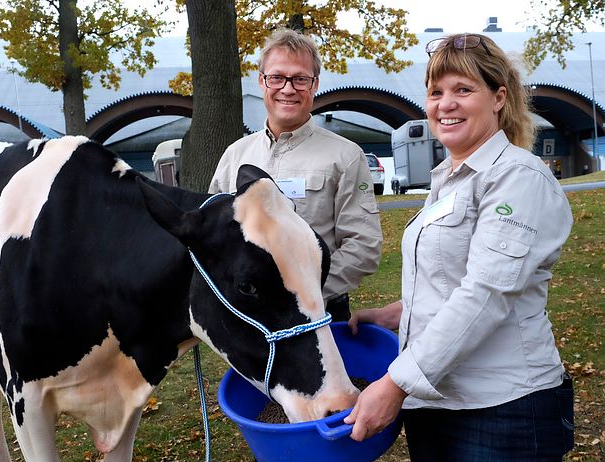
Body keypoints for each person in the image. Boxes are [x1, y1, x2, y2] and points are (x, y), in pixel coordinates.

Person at [344, 33, 575, 461]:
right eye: (436, 92)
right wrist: (393, 314)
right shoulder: (449, 179)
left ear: (498, 97)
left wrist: (395, 383)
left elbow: (486, 293)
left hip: (501, 409)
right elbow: (453, 278)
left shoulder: (518, 177)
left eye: (463, 90)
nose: (445, 104)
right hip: (434, 403)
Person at [208, 28, 382, 322]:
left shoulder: (346, 156)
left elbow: (363, 246)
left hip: (322, 314)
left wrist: (303, 291)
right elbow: (214, 238)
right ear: (262, 81)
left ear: (314, 84)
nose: (288, 89)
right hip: (249, 320)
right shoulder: (234, 156)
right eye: (277, 77)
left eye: (300, 79)